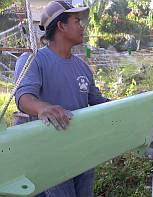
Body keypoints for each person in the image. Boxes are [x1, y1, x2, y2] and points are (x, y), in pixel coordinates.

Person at [14, 1, 110, 196]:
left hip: (83, 153)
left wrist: (133, 103)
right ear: (61, 26)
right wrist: (42, 107)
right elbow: (23, 97)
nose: (82, 27)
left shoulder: (82, 67)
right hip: (50, 156)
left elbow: (97, 102)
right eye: (76, 21)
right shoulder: (34, 60)